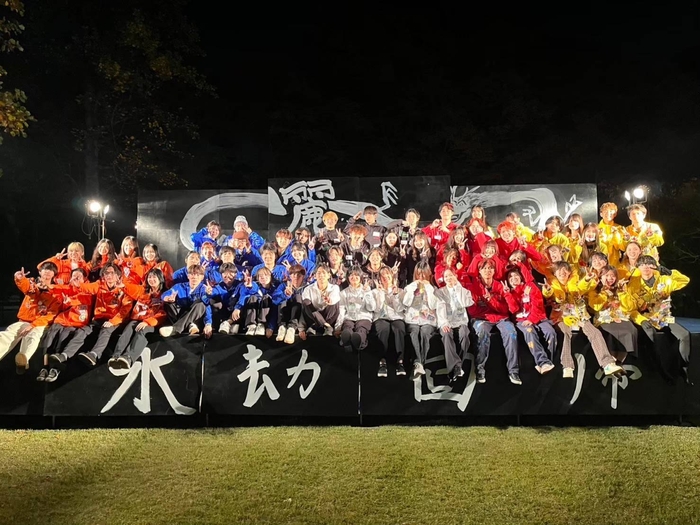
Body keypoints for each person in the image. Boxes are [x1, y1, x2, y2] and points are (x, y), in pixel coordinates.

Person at [543, 261, 623, 378]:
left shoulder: (574, 283)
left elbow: (582, 287)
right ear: (555, 273)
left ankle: (607, 364)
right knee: (565, 333)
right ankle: (567, 366)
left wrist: (586, 279)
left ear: (569, 273)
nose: (562, 273)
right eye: (559, 271)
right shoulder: (552, 284)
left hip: (579, 315)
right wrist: (547, 290)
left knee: (595, 332)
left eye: (565, 270)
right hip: (561, 317)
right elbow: (549, 294)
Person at [626, 255, 691, 380]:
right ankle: (660, 370)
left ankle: (684, 366)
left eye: (649, 264)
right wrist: (641, 320)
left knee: (684, 335)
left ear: (654, 266)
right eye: (642, 264)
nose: (645, 267)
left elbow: (685, 281)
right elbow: (630, 309)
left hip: (664, 318)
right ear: (638, 267)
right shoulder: (633, 285)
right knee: (653, 337)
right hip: (646, 319)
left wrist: (671, 273)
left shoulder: (664, 280)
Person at [57, 263, 135, 367]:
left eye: (112, 273)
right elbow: (88, 289)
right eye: (106, 273)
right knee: (83, 331)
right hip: (99, 319)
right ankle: (65, 355)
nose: (109, 275)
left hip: (116, 321)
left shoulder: (124, 289)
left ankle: (94, 355)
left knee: (105, 330)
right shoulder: (100, 285)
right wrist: (78, 287)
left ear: (118, 275)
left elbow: (125, 309)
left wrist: (112, 322)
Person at [466, 259, 520, 385]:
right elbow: (473, 310)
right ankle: (480, 369)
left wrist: (492, 300)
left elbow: (508, 309)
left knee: (511, 332)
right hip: (482, 318)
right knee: (481, 332)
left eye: (490, 268)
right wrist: (489, 306)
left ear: (494, 271)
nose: (487, 271)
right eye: (484, 268)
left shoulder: (500, 286)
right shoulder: (473, 287)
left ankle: (513, 371)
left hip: (501, 318)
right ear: (479, 271)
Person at [0, 263, 60, 373]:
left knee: (33, 335)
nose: (47, 271)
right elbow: (24, 285)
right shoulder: (32, 285)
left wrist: (33, 325)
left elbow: (51, 314)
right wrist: (19, 278)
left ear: (54, 274)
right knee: (9, 333)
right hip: (24, 321)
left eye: (51, 270)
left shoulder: (56, 292)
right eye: (45, 269)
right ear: (40, 272)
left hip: (39, 324)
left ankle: (23, 361)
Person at [38, 268, 93, 381]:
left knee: (63, 338)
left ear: (84, 278)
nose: (76, 278)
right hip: (62, 320)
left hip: (76, 323)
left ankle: (55, 369)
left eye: (79, 276)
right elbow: (56, 288)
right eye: (74, 276)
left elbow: (85, 299)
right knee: (50, 337)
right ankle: (45, 367)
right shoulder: (67, 288)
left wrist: (71, 301)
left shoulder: (88, 289)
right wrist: (46, 285)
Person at [108, 268, 168, 370]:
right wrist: (123, 285)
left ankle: (128, 357)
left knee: (142, 331)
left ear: (160, 279)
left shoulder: (164, 294)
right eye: (149, 277)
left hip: (152, 323)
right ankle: (116, 356)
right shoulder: (143, 290)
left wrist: (147, 322)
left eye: (154, 277)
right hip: (137, 319)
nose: (151, 279)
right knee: (128, 329)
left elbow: (162, 314)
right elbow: (132, 289)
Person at [503, 268, 556, 375]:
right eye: (510, 277)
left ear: (521, 276)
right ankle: (542, 362)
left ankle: (547, 363)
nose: (513, 278)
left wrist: (532, 319)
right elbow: (514, 310)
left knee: (551, 333)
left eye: (516, 275)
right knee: (529, 331)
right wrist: (508, 295)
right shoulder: (509, 292)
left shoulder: (530, 286)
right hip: (521, 320)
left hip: (538, 318)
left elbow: (538, 304)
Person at [587, 265, 638, 362]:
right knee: (610, 333)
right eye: (607, 275)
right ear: (601, 277)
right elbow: (596, 306)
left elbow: (629, 307)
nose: (610, 278)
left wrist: (622, 292)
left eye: (613, 276)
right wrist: (604, 292)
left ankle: (620, 361)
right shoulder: (594, 290)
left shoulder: (620, 288)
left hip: (621, 318)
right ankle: (611, 361)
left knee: (630, 330)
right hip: (604, 320)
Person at [402, 261, 439, 381]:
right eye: (419, 274)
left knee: (425, 333)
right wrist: (413, 288)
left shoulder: (433, 288)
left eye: (424, 274)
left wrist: (428, 288)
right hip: (413, 319)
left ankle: (419, 364)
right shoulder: (409, 287)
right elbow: (406, 303)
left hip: (428, 319)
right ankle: (418, 363)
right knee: (414, 332)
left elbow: (433, 305)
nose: (421, 277)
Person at [436, 268, 474, 380]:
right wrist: (444, 323)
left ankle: (456, 367)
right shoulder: (441, 292)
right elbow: (440, 309)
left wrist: (457, 288)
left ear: (455, 276)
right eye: (446, 276)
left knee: (465, 335)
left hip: (461, 321)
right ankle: (456, 366)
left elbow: (466, 303)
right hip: (446, 321)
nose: (448, 278)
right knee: (446, 335)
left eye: (450, 275)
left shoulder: (463, 291)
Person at [159, 265, 213, 338]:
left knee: (201, 304)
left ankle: (175, 329)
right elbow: (164, 295)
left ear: (202, 277)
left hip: (197, 319)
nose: (194, 277)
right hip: (180, 315)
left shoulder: (204, 289)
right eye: (192, 274)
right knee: (167, 303)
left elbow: (207, 306)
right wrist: (167, 298)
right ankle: (190, 325)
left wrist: (208, 324)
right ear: (188, 276)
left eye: (198, 275)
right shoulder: (179, 286)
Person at [372, 267, 406, 377]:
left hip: (396, 317)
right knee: (383, 329)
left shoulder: (400, 291)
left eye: (387, 275)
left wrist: (395, 295)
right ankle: (382, 362)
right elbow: (377, 308)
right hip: (381, 317)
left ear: (392, 276)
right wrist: (380, 293)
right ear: (379, 279)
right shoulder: (375, 292)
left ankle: (400, 362)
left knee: (399, 328)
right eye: (382, 276)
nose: (385, 278)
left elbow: (399, 309)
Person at [335, 267, 377, 352]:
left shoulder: (367, 290)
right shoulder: (343, 293)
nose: (354, 277)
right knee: (347, 327)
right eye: (351, 275)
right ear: (348, 278)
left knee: (361, 328)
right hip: (349, 317)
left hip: (364, 317)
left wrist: (367, 293)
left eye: (356, 275)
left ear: (361, 277)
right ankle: (346, 342)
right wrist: (338, 327)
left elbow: (372, 307)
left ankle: (359, 341)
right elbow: (341, 310)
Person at [300, 264, 340, 337]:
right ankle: (326, 326)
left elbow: (334, 299)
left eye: (324, 273)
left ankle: (316, 326)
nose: (321, 275)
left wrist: (329, 300)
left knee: (336, 303)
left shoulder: (334, 288)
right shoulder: (308, 289)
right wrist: (301, 328)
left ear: (329, 275)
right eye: (319, 273)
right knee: (306, 301)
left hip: (328, 316)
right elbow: (305, 307)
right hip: (314, 316)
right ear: (315, 276)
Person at [272, 264, 309, 344]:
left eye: (299, 275)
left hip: (298, 318)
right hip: (284, 314)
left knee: (298, 297)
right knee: (282, 300)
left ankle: (291, 329)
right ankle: (282, 327)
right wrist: (285, 295)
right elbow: (274, 300)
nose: (296, 277)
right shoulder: (283, 285)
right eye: (293, 275)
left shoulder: (307, 287)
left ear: (303, 277)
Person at [212, 263, 242, 334]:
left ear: (235, 274)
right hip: (224, 313)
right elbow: (209, 296)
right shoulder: (218, 287)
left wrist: (238, 308)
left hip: (238, 313)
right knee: (212, 302)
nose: (227, 276)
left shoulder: (240, 284)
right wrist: (208, 294)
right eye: (225, 274)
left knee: (244, 301)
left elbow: (247, 293)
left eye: (230, 273)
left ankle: (229, 323)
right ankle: (213, 326)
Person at [598, 202, 626, 267]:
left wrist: (616, 235)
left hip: (614, 262)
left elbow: (622, 248)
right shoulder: (595, 228)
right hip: (598, 261)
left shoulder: (619, 228)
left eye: (611, 211)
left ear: (615, 214)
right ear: (601, 214)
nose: (608, 213)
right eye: (605, 211)